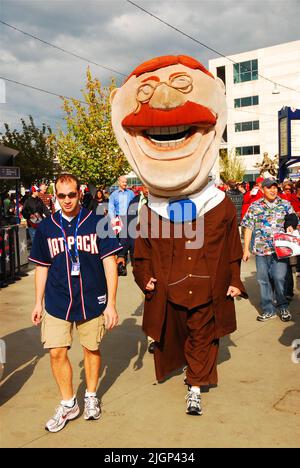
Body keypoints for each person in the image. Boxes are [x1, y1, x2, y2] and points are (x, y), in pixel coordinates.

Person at [111, 54, 247, 416]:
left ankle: (196, 386)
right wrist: (146, 279)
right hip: (170, 289)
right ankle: (188, 369)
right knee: (175, 335)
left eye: (181, 86)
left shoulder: (220, 205)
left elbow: (231, 248)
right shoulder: (150, 208)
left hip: (207, 287)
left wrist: (234, 280)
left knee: (203, 337)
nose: (165, 100)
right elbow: (142, 252)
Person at [29, 173, 122, 432]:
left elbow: (109, 263)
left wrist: (112, 303)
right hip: (58, 300)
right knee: (56, 352)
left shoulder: (97, 222)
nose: (67, 200)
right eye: (61, 196)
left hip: (92, 298)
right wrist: (37, 302)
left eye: (71, 194)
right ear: (55, 197)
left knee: (91, 349)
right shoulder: (46, 228)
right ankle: (69, 403)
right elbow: (41, 268)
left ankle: (91, 396)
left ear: (80, 193)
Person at [242, 178, 297, 322]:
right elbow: (248, 227)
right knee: (263, 280)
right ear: (262, 190)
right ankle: (268, 309)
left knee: (279, 278)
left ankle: (283, 306)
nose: (273, 190)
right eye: (269, 188)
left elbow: (292, 218)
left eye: (275, 187)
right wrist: (246, 249)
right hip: (260, 251)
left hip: (279, 251)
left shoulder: (284, 204)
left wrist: (291, 225)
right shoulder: (254, 206)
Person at [108, 176, 135, 273]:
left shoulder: (131, 193)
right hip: (118, 219)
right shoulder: (114, 195)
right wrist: (113, 220)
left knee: (130, 239)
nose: (125, 183)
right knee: (121, 240)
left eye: (126, 182)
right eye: (123, 182)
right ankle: (120, 261)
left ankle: (126, 260)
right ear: (119, 182)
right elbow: (111, 208)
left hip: (130, 218)